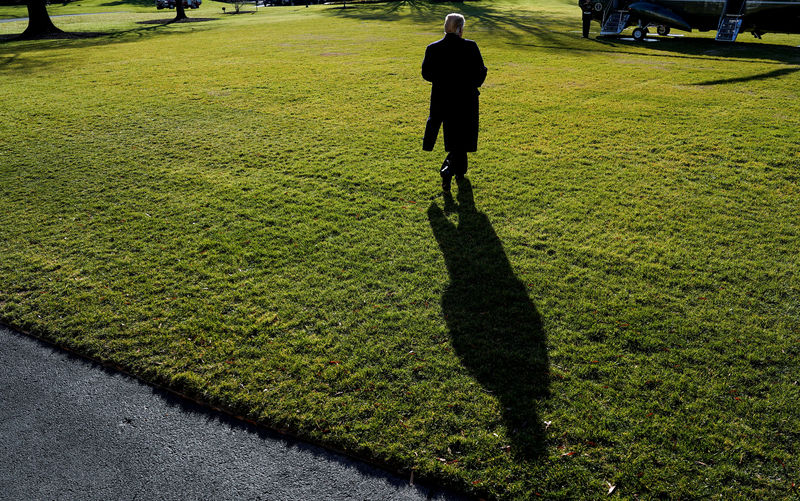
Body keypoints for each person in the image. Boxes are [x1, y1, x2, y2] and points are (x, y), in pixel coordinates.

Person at [422, 13, 487, 192]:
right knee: (462, 137)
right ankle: (449, 170)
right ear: (459, 28)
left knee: (454, 139)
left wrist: (443, 79)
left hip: (442, 100)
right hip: (465, 100)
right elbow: (480, 73)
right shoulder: (470, 46)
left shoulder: (433, 48)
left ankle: (459, 171)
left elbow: (426, 74)